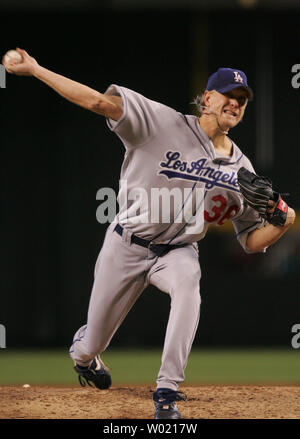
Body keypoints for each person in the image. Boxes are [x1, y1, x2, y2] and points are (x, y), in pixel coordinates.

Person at [3, 48, 295, 419]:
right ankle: (85, 355)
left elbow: (250, 241)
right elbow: (96, 102)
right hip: (126, 243)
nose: (235, 104)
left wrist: (282, 222)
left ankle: (167, 390)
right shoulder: (159, 122)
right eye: (228, 96)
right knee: (91, 342)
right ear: (207, 99)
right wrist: (36, 69)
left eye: (242, 100)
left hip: (178, 251)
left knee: (189, 283)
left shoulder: (241, 169)